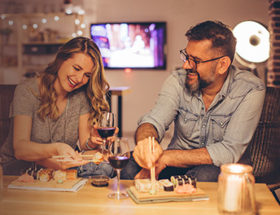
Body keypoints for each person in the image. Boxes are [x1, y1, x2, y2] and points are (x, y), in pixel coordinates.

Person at [123, 20, 266, 181]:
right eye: (186, 56)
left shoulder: (250, 89)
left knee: (205, 176)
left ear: (222, 65)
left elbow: (229, 151)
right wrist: (146, 144)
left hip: (218, 167)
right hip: (174, 164)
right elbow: (154, 120)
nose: (186, 65)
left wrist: (166, 157)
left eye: (195, 61)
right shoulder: (178, 80)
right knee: (129, 166)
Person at [0, 36, 116, 176]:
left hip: (57, 173)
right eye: (76, 68)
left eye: (87, 75)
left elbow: (85, 148)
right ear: (61, 59)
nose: (79, 79)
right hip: (15, 172)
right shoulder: (27, 91)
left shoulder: (80, 96)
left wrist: (92, 142)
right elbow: (20, 149)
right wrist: (57, 149)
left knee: (107, 171)